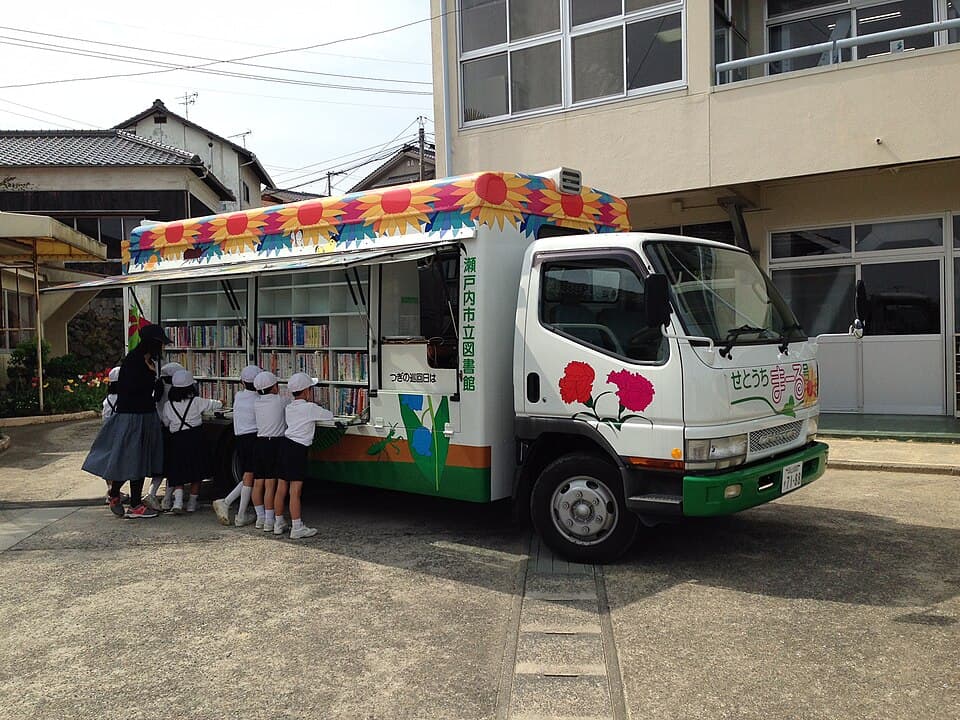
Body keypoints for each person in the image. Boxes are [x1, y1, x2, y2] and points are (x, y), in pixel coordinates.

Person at [82, 324, 171, 519]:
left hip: (144, 415)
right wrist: (152, 385)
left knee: (138, 460)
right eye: (161, 344)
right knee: (133, 460)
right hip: (134, 417)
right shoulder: (135, 362)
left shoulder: (146, 361)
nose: (163, 348)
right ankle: (134, 504)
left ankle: (118, 495)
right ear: (153, 343)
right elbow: (132, 392)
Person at [273, 372, 333, 539]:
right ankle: (297, 526)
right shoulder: (310, 408)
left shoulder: (289, 407)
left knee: (281, 487)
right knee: (295, 490)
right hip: (298, 449)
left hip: (285, 445)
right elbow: (329, 416)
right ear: (306, 391)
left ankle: (278, 523)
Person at [162, 369, 222, 514]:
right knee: (197, 471)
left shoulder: (168, 405)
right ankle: (192, 504)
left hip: (177, 441)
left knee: (178, 472)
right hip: (195, 438)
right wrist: (221, 402)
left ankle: (177, 502)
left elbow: (165, 422)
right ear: (191, 387)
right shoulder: (197, 402)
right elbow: (216, 404)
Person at [212, 364, 261, 527]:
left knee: (248, 475)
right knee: (250, 475)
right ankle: (229, 504)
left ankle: (238, 512)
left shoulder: (239, 396)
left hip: (240, 437)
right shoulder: (258, 400)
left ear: (241, 382)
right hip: (253, 438)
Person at [252, 371, 290, 533]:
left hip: (259, 442)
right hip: (276, 443)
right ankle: (270, 520)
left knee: (259, 482)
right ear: (274, 387)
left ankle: (261, 517)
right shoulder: (281, 401)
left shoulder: (257, 402)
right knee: (272, 484)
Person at [146, 361, 184, 512]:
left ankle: (151, 494)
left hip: (158, 431)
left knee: (159, 468)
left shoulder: (157, 390)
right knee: (172, 468)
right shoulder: (174, 393)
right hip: (171, 433)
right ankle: (167, 499)